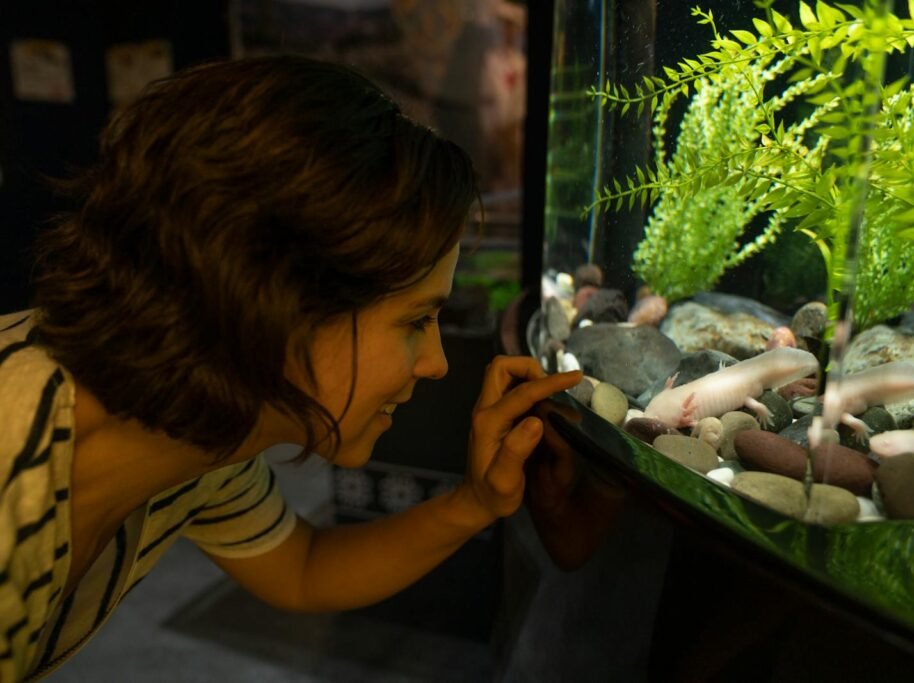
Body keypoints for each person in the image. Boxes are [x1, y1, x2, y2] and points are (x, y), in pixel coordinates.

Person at [0, 55, 581, 681]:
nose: (437, 364)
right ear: (276, 303)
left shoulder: (195, 429)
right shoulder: (13, 480)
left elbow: (302, 569)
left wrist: (475, 502)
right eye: (414, 321)